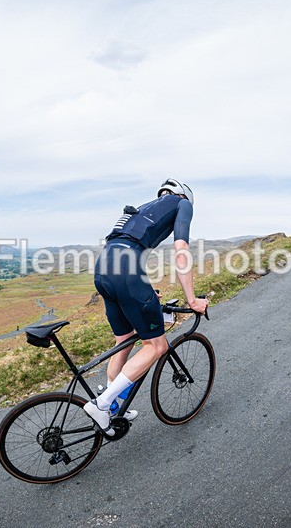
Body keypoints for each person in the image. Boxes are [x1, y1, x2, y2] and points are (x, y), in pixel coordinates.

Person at [84, 178, 208, 436]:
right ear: (184, 195)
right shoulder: (181, 204)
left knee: (125, 340)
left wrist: (145, 290)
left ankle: (113, 406)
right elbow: (181, 249)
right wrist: (193, 300)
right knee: (157, 345)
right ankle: (102, 404)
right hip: (127, 270)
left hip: (103, 267)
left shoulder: (144, 208)